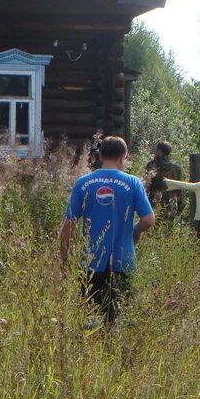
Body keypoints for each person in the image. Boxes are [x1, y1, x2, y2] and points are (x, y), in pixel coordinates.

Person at [60, 136, 155, 326]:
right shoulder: (133, 183)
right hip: (123, 259)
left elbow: (68, 225)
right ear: (124, 156)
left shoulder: (83, 183)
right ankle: (115, 350)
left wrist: (64, 258)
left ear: (100, 155)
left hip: (90, 261)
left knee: (90, 316)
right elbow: (148, 220)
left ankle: (93, 353)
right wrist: (134, 232)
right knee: (118, 316)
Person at [144, 141, 184, 215]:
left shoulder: (152, 165)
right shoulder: (176, 167)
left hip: (154, 203)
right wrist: (180, 206)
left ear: (159, 151)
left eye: (156, 150)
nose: (155, 152)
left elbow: (146, 186)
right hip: (171, 203)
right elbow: (179, 188)